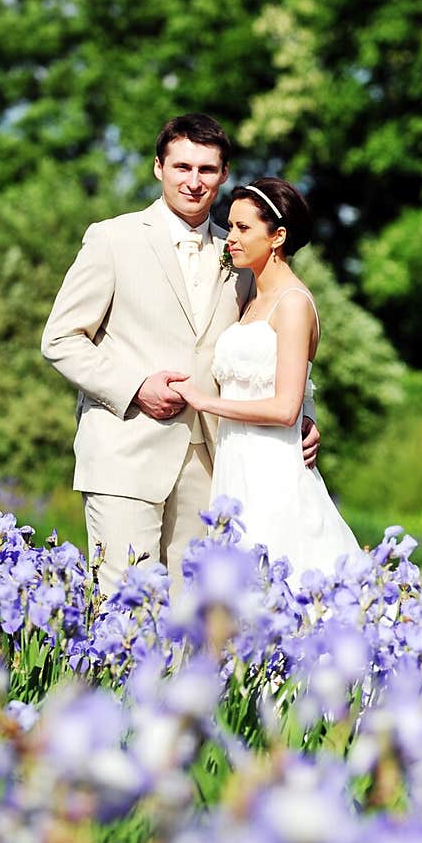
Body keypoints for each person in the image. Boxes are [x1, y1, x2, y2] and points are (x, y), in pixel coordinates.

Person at [40, 116, 320, 596]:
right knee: (125, 609)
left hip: (214, 464)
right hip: (124, 455)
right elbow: (60, 339)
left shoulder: (242, 249)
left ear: (224, 173)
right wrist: (135, 387)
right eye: (182, 166)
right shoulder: (111, 239)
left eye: (207, 169)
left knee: (196, 620)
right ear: (158, 167)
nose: (194, 181)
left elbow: (276, 343)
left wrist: (305, 418)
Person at [168, 177, 360, 590]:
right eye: (230, 226)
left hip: (272, 469)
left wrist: (204, 401)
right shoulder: (253, 298)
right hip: (236, 462)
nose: (230, 238)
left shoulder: (292, 303)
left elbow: (284, 407)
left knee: (277, 585)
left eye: (243, 228)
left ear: (278, 236)